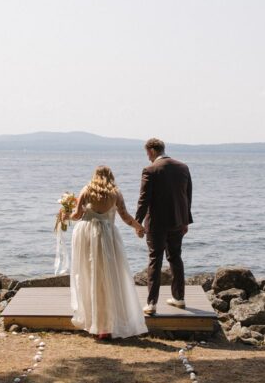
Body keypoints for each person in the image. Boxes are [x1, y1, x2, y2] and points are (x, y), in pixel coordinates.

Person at [68, 165, 148, 339]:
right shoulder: (115, 193)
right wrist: (139, 228)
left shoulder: (87, 189)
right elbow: (125, 216)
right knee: (110, 278)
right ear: (111, 176)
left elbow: (76, 215)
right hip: (107, 236)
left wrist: (65, 214)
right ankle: (109, 325)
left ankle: (94, 322)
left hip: (86, 234)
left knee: (88, 276)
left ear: (95, 176)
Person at [135, 138, 192, 315]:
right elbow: (187, 196)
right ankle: (179, 298)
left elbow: (144, 200)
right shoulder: (183, 167)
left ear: (152, 151)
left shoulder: (150, 170)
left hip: (157, 224)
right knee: (175, 258)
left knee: (155, 261)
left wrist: (137, 223)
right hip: (178, 222)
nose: (148, 157)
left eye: (147, 153)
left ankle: (151, 303)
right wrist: (185, 220)